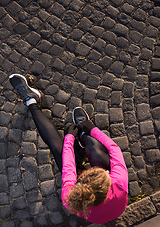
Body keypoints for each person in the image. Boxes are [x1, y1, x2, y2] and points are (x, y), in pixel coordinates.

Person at [9, 74, 128, 224]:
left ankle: (31, 100)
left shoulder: (70, 196)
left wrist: (69, 138)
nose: (105, 171)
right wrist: (93, 129)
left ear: (80, 177)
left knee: (58, 150)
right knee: (95, 150)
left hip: (95, 197)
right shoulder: (118, 182)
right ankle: (84, 136)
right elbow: (114, 149)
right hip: (114, 206)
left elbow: (68, 166)